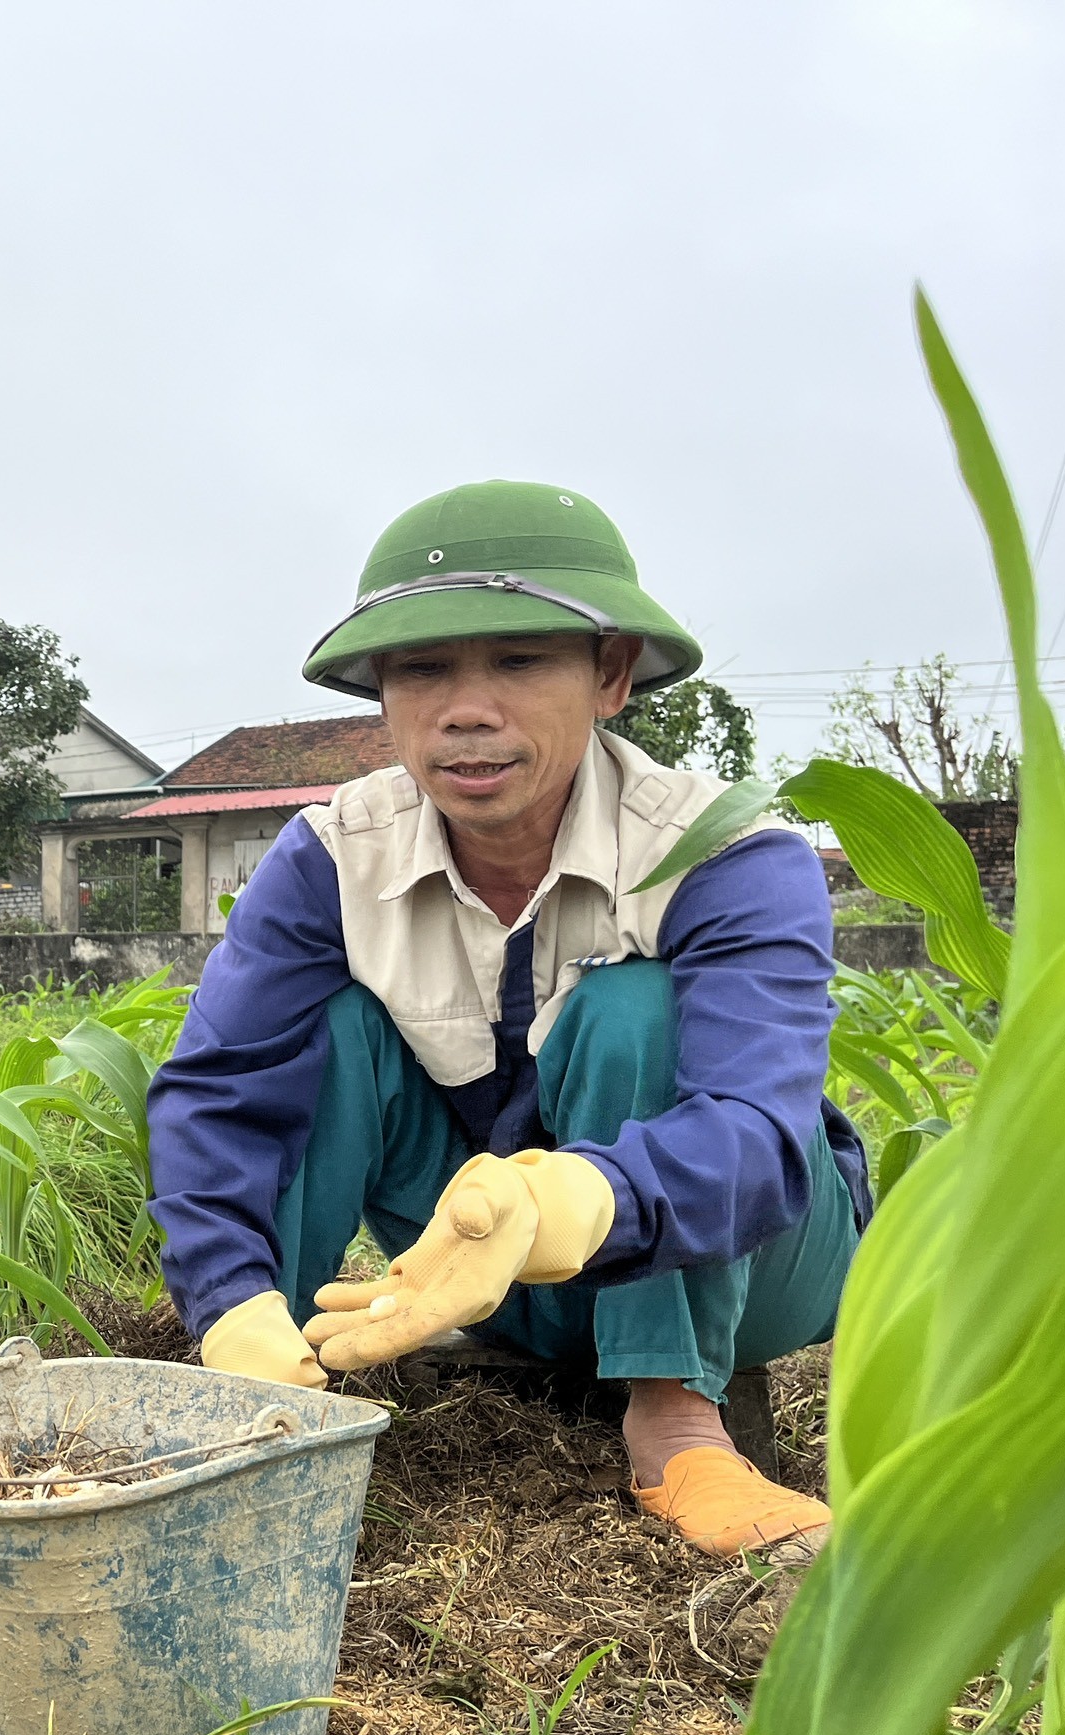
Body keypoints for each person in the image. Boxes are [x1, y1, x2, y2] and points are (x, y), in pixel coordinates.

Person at [148, 482, 867, 1558]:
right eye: (422, 669)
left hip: (750, 1263)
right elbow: (219, 1088)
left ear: (610, 675)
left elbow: (760, 1137)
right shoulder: (332, 856)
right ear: (382, 696)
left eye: (520, 663)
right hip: (469, 1271)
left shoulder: (725, 853)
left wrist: (576, 1196)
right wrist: (221, 1296)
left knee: (632, 1005)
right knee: (330, 1029)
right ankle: (273, 1379)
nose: (465, 710)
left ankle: (675, 1418)